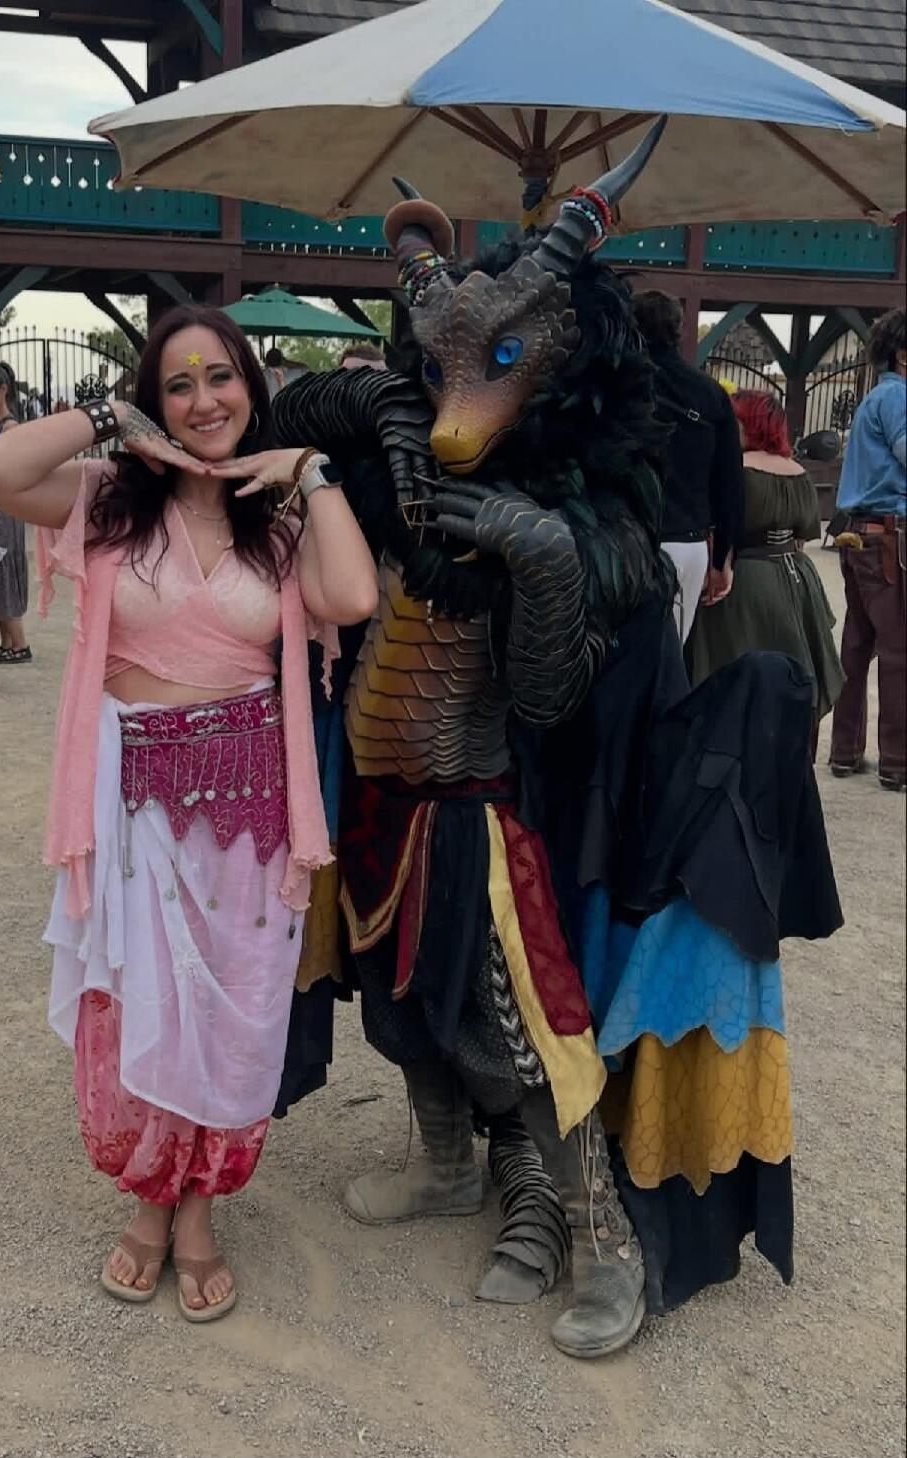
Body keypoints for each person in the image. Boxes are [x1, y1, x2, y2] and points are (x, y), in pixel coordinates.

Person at [268, 126, 841, 1357]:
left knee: (522, 1016)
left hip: (507, 783)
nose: (464, 399)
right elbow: (293, 414)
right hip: (376, 777)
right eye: (441, 366)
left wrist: (535, 550)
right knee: (396, 993)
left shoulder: (606, 478)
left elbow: (551, 691)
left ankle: (595, 1233)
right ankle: (447, 1162)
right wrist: (390, 408)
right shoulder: (401, 437)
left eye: (505, 362)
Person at [0, 303, 377, 1320]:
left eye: (222, 378)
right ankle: (150, 1202)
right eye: (179, 384)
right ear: (157, 401)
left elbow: (356, 595)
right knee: (140, 1005)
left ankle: (199, 1213)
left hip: (252, 821)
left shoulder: (279, 530)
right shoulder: (107, 500)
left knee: (229, 1013)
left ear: (252, 389)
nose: (204, 401)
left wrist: (313, 473)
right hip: (131, 812)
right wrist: (107, 421)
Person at [688, 390, 844, 741]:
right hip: (796, 578)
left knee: (732, 675)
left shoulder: (735, 470)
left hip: (743, 578)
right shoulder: (799, 473)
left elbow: (717, 530)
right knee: (793, 674)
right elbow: (804, 537)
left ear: (750, 424)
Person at [631, 289, 745, 642]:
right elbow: (729, 484)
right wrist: (723, 556)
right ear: (678, 330)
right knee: (671, 659)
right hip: (687, 543)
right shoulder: (710, 393)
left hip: (623, 540)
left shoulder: (619, 385)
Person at [829, 308, 906, 792]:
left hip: (859, 531)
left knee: (857, 646)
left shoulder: (876, 396)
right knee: (900, 649)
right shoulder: (899, 396)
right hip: (889, 535)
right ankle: (898, 760)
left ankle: (844, 750)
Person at [0, 361, 33, 663]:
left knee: (5, 566)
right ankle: (9, 640)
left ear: (3, 390)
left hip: (5, 507)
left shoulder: (9, 427)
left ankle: (19, 641)